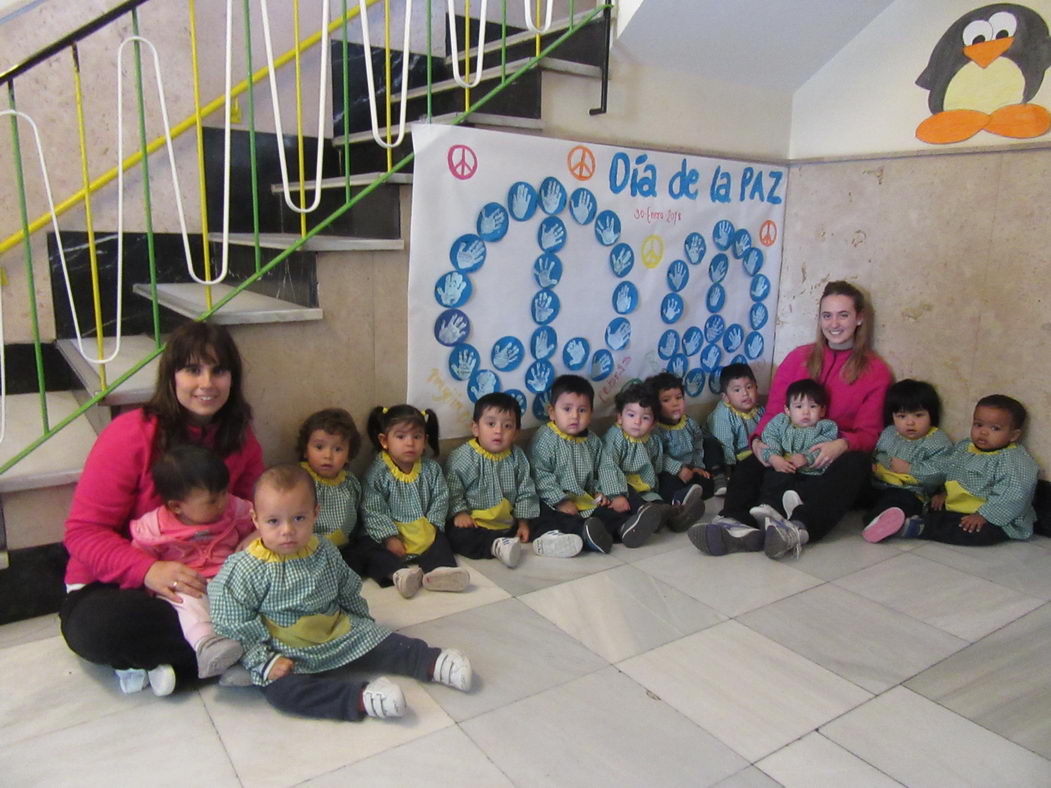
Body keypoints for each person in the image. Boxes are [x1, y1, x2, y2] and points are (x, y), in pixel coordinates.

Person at [60, 321, 264, 695]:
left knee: (297, 578)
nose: (207, 383)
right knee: (97, 628)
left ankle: (194, 658)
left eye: (219, 370)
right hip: (125, 584)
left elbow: (257, 509)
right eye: (193, 369)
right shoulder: (129, 434)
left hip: (212, 578)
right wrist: (148, 570)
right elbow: (83, 533)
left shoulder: (240, 436)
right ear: (171, 376)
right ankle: (249, 649)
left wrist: (253, 538)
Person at [210, 465, 472, 722]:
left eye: (298, 518)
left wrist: (363, 628)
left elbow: (347, 588)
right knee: (283, 694)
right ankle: (360, 698)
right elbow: (233, 620)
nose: (287, 530)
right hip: (285, 650)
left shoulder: (324, 550)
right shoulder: (244, 567)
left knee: (386, 639)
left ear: (315, 514)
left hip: (336, 630)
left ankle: (431, 661)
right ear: (256, 519)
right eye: (273, 521)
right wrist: (263, 661)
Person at [694, 281, 892, 559]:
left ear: (859, 318)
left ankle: (797, 529)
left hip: (829, 463)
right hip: (788, 453)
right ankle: (733, 524)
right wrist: (761, 443)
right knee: (752, 460)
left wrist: (841, 445)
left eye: (843, 315)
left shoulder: (876, 371)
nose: (834, 323)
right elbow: (774, 413)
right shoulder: (798, 358)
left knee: (855, 463)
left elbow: (870, 433)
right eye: (827, 315)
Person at [129, 445, 255, 680]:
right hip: (189, 584)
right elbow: (140, 558)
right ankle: (208, 645)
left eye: (224, 492)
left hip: (229, 577)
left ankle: (254, 656)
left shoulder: (234, 508)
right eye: (212, 500)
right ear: (176, 506)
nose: (223, 502)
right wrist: (151, 576)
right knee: (188, 603)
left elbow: (261, 519)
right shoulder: (155, 527)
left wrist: (254, 536)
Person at [863, 395, 1038, 546]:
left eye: (995, 428)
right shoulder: (965, 447)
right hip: (958, 507)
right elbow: (952, 473)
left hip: (995, 520)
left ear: (1014, 435)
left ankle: (915, 528)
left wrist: (984, 515)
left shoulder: (1014, 460)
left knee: (967, 530)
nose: (983, 432)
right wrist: (945, 494)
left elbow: (1014, 494)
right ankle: (890, 520)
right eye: (978, 425)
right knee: (937, 513)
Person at [529, 374, 664, 553]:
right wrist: (560, 501)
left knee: (607, 514)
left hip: (585, 499)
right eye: (567, 409)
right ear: (552, 412)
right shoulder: (545, 439)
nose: (575, 416)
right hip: (553, 501)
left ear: (591, 413)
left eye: (582, 410)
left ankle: (624, 528)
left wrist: (604, 491)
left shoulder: (592, 440)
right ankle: (585, 535)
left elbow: (605, 467)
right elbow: (539, 474)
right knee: (557, 519)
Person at [359, 404, 469, 598]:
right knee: (369, 549)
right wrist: (389, 537)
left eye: (416, 437)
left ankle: (440, 573)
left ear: (425, 440)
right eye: (401, 437)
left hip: (424, 528)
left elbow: (441, 498)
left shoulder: (431, 470)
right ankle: (399, 575)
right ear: (385, 441)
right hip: (391, 534)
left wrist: (433, 526)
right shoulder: (377, 474)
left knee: (442, 542)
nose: (409, 443)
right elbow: (373, 509)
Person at [445, 393, 556, 566]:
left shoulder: (517, 456)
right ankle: (495, 545)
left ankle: (551, 538)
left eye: (507, 426)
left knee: (545, 510)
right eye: (491, 424)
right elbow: (452, 489)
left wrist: (523, 523)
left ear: (515, 433)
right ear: (475, 428)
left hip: (509, 522)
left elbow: (526, 491)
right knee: (456, 536)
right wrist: (460, 513)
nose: (498, 431)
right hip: (475, 523)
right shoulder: (463, 457)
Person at [602, 383, 706, 535]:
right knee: (635, 499)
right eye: (631, 415)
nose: (637, 422)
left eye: (645, 418)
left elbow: (661, 459)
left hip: (648, 487)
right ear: (619, 417)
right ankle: (654, 516)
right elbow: (607, 467)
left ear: (653, 424)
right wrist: (615, 495)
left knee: (663, 489)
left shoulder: (652, 439)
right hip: (624, 486)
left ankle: (674, 515)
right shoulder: (615, 438)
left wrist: (678, 468)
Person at [744, 379, 839, 543]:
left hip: (812, 472)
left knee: (812, 489)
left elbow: (825, 447)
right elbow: (769, 439)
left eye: (813, 406)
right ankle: (769, 509)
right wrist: (774, 458)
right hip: (784, 466)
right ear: (788, 410)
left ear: (823, 410)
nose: (806, 412)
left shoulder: (826, 427)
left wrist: (807, 458)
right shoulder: (780, 423)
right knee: (773, 479)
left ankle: (792, 512)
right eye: (799, 407)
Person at [859, 379, 953, 539]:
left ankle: (888, 524)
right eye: (901, 416)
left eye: (918, 415)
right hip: (878, 484)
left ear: (932, 414)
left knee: (897, 502)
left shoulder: (937, 441)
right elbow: (878, 453)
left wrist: (910, 469)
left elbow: (940, 472)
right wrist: (873, 465)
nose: (910, 422)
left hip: (909, 491)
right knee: (854, 483)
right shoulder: (890, 432)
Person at [296, 408, 363, 560]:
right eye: (319, 447)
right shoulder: (300, 480)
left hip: (345, 548)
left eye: (338, 449)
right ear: (305, 450)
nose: (328, 456)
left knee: (367, 552)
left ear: (348, 454)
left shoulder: (350, 483)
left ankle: (397, 573)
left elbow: (359, 514)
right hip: (310, 550)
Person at [646, 372, 716, 502]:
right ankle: (679, 501)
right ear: (654, 405)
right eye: (666, 400)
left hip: (691, 469)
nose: (675, 404)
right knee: (667, 484)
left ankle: (712, 482)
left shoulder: (689, 423)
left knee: (711, 444)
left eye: (678, 397)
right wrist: (678, 469)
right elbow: (658, 456)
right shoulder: (654, 429)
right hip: (671, 472)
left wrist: (697, 467)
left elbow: (697, 446)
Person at [705, 363, 765, 492]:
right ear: (726, 397)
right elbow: (725, 445)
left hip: (755, 453)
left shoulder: (760, 410)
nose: (745, 393)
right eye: (737, 390)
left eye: (749, 387)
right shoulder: (723, 415)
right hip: (733, 459)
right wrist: (729, 471)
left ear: (756, 388)